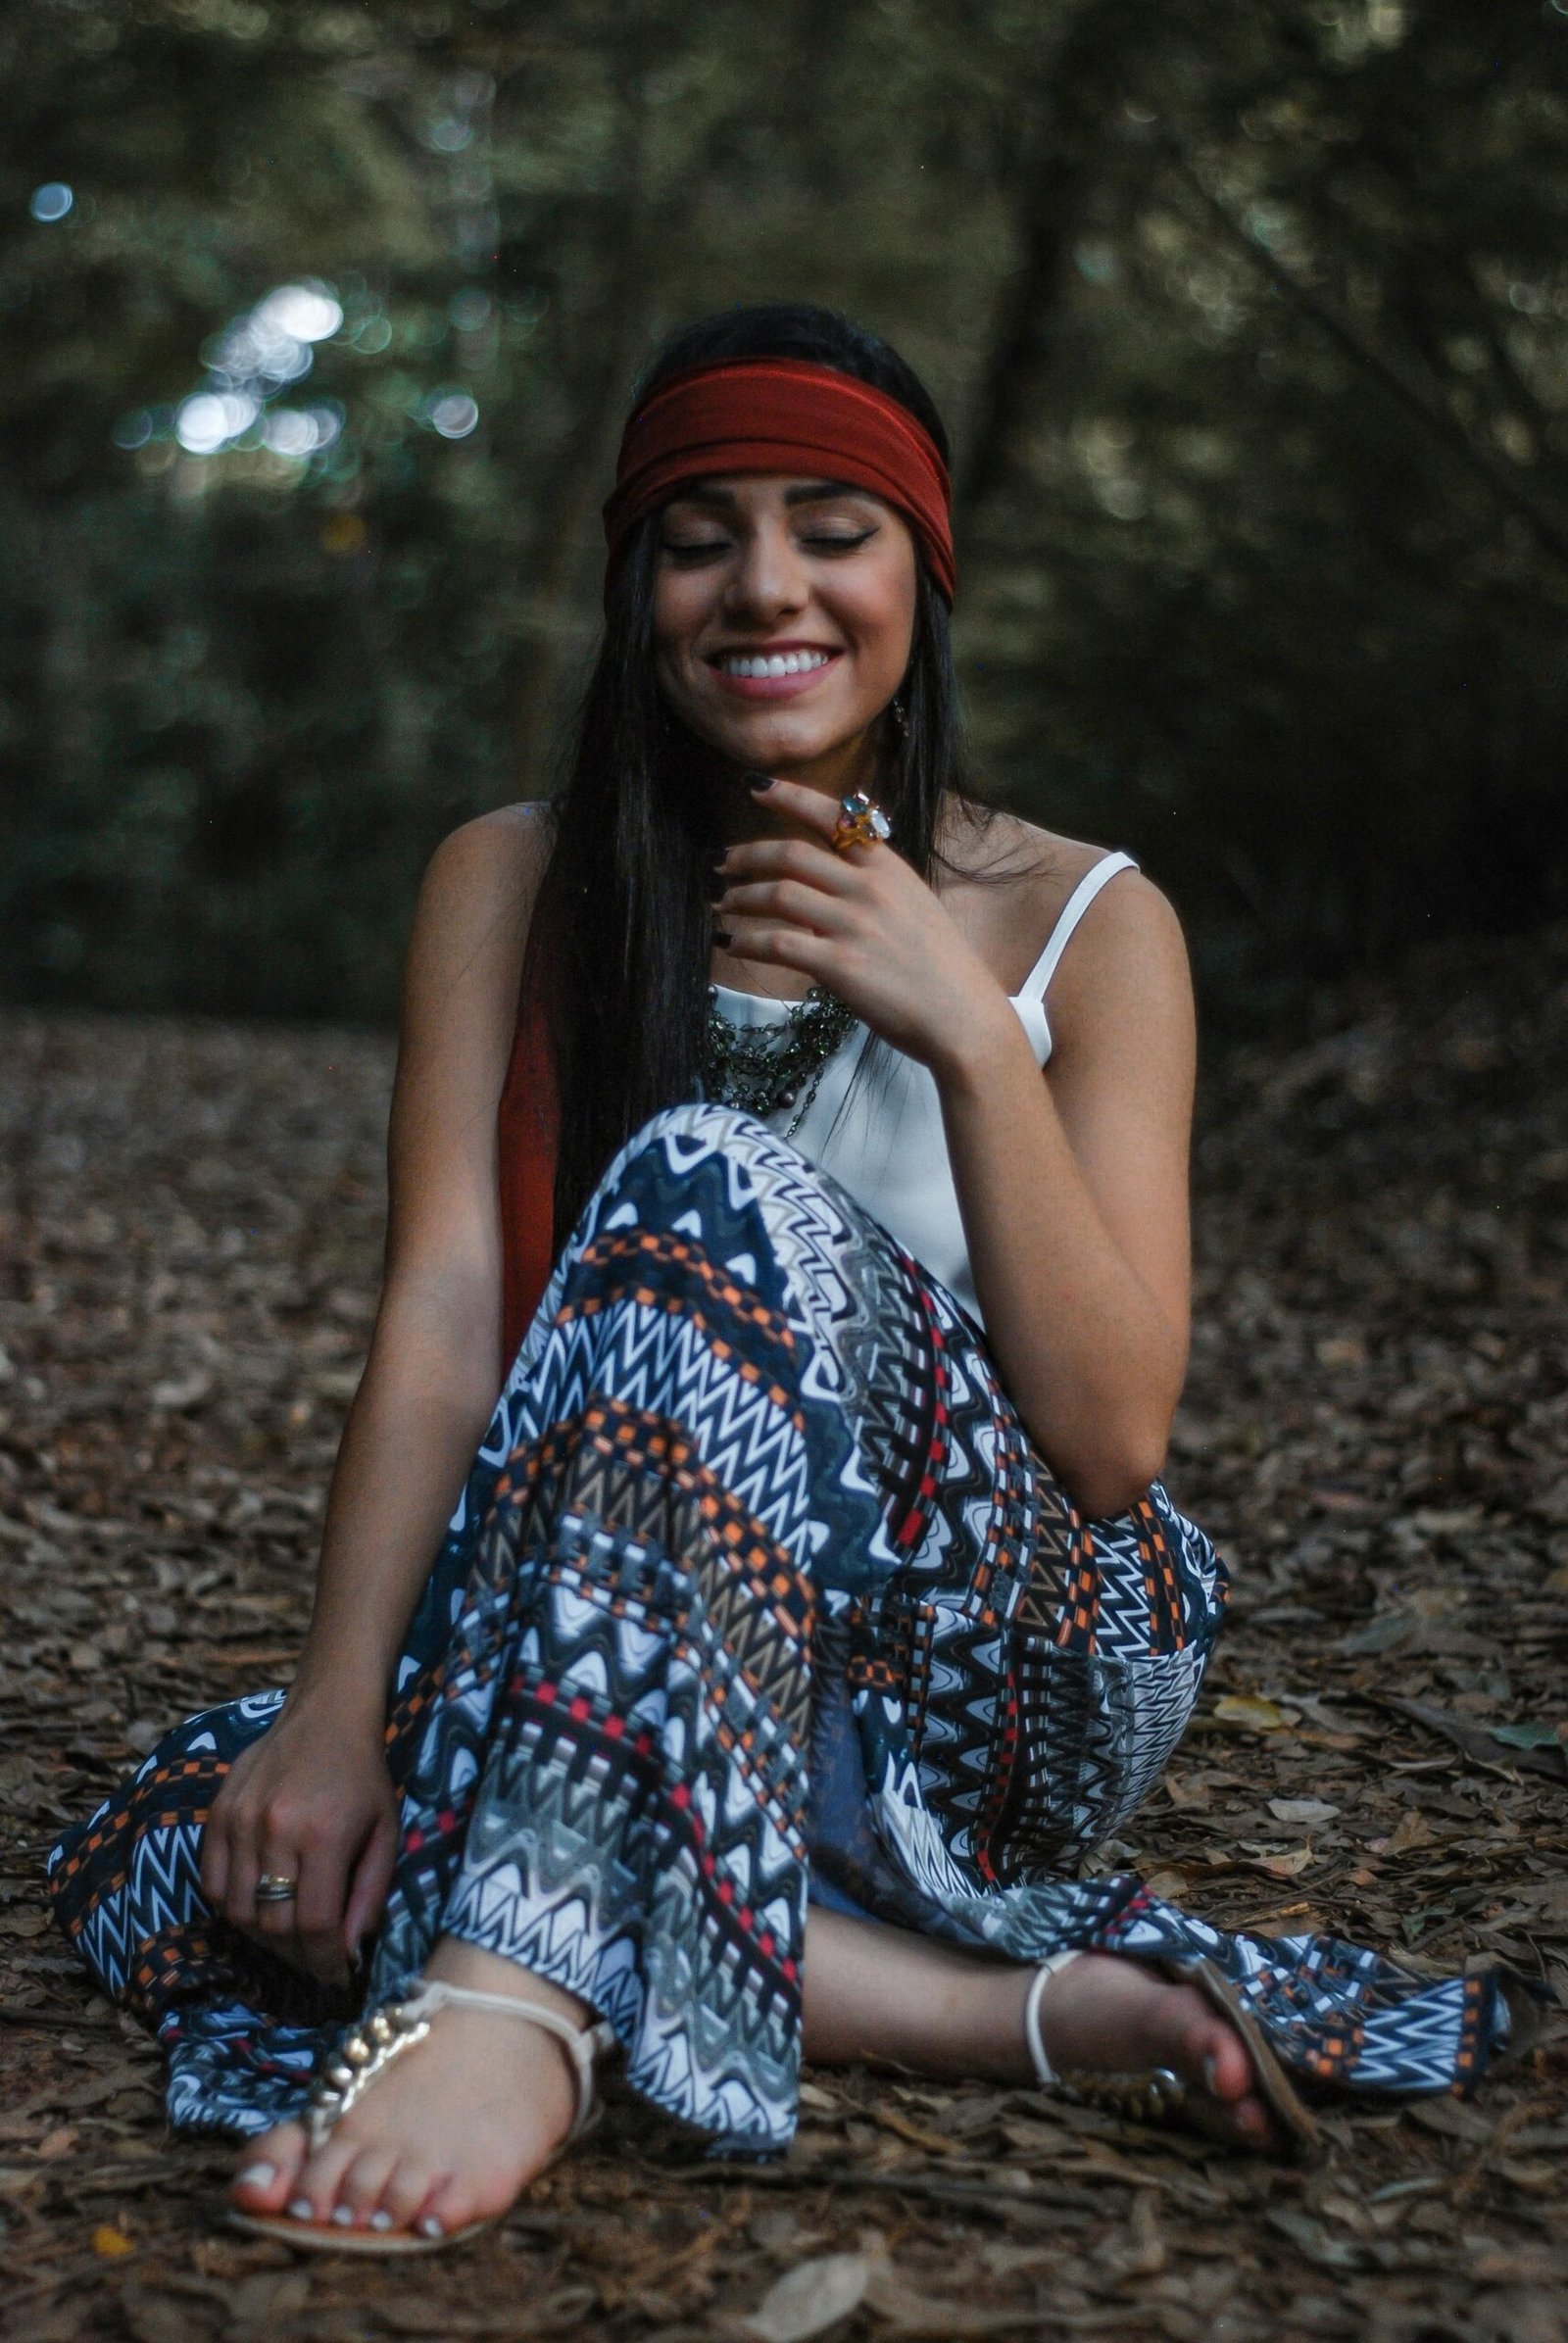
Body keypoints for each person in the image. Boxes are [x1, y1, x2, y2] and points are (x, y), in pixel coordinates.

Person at [49, 305, 1531, 2255]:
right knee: (188, 1832)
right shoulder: (505, 879)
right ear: (632, 582)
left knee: (702, 1182)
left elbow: (1108, 1437)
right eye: (696, 531)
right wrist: (330, 1712)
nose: (762, 583)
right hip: (640, 1628)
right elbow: (438, 1321)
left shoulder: (1089, 920)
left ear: (920, 565)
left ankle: (513, 1996)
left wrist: (965, 1032)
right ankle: (1015, 2016)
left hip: (1004, 1669)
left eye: (828, 525)